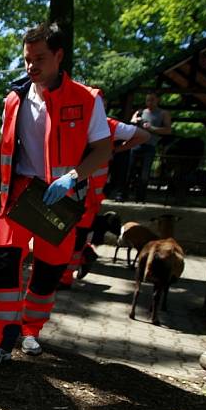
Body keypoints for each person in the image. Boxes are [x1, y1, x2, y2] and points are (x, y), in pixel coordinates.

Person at [0, 23, 112, 363]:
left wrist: (73, 177)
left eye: (39, 58)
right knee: (4, 264)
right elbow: (2, 147)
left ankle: (31, 330)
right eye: (26, 59)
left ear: (58, 56)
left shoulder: (86, 99)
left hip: (61, 198)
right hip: (19, 193)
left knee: (49, 270)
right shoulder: (15, 100)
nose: (31, 65)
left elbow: (102, 149)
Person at [58, 115, 149, 289]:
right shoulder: (105, 124)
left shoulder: (102, 123)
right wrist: (114, 150)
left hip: (82, 193)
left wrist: (115, 150)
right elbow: (143, 136)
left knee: (72, 236)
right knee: (70, 236)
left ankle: (67, 276)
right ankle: (82, 258)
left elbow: (144, 136)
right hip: (80, 191)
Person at [128, 92, 171, 202]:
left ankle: (140, 197)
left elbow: (168, 130)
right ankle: (124, 193)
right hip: (135, 145)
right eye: (147, 100)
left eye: (152, 100)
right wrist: (135, 121)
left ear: (158, 100)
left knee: (145, 173)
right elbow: (130, 123)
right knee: (129, 169)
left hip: (150, 145)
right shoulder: (140, 112)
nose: (149, 102)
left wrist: (152, 129)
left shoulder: (163, 113)